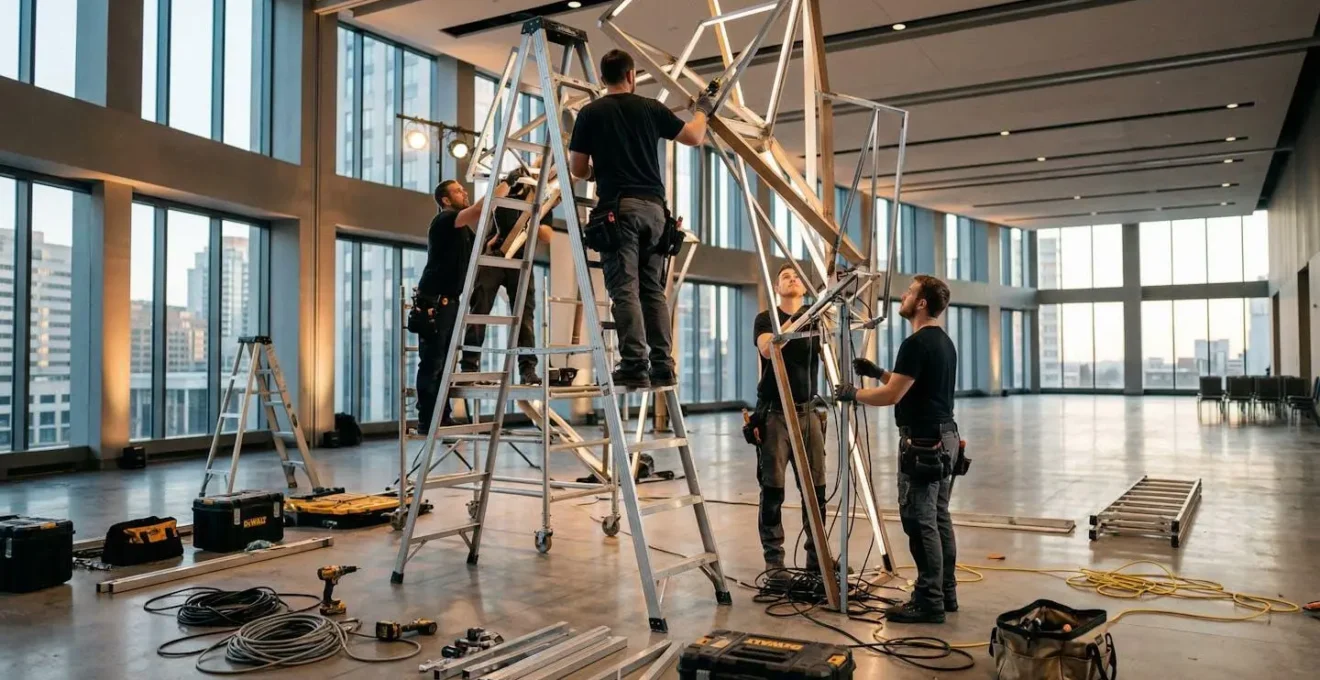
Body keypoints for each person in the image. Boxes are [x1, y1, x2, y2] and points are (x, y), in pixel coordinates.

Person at [567, 49, 715, 388]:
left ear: (603, 79)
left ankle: (634, 364)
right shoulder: (650, 108)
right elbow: (694, 136)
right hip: (655, 212)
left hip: (618, 212)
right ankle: (663, 366)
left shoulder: (590, 113)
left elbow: (577, 168)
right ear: (631, 76)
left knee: (624, 290)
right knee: (652, 291)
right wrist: (702, 111)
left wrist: (596, 173)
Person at [836, 275, 962, 624]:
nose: (903, 295)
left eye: (910, 291)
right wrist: (878, 372)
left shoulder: (915, 343)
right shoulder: (942, 342)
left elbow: (892, 396)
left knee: (920, 522)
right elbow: (909, 384)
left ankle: (928, 601)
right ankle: (945, 593)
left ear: (921, 303)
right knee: (938, 518)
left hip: (923, 442)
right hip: (945, 437)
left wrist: (853, 393)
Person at [413, 175, 512, 432]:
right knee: (434, 361)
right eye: (458, 192)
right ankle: (428, 419)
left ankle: (440, 416)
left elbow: (475, 253)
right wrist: (505, 182)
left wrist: (494, 244)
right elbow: (480, 209)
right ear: (446, 200)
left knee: (445, 362)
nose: (464, 193)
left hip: (450, 302)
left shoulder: (461, 230)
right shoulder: (445, 220)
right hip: (436, 303)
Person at [751, 263, 829, 579]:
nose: (792, 279)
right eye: (785, 276)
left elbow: (832, 352)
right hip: (774, 414)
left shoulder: (818, 317)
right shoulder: (766, 318)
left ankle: (817, 559)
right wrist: (806, 317)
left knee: (817, 489)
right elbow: (769, 349)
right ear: (776, 286)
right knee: (773, 490)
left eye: (796, 275)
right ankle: (774, 563)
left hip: (809, 412)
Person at [459, 174, 556, 385]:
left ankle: (527, 369)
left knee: (524, 315)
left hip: (521, 259)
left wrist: (534, 217)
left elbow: (548, 236)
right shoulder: (505, 190)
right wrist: (507, 184)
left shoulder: (541, 202)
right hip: (493, 254)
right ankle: (468, 368)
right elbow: (486, 205)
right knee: (479, 310)